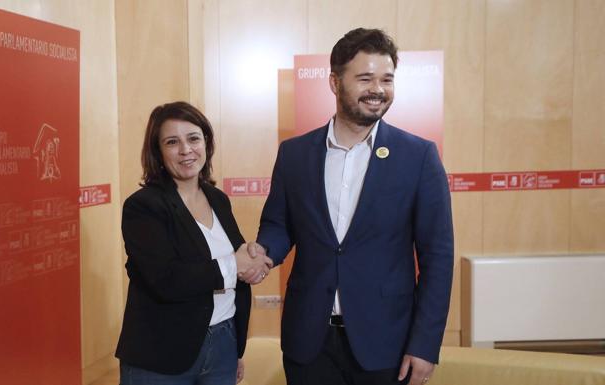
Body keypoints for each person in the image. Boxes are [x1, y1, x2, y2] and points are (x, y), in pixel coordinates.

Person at [251, 28, 454, 385]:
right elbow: (279, 224)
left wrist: (425, 344)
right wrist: (264, 253)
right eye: (365, 78)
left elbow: (438, 257)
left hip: (386, 344)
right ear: (334, 82)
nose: (378, 89)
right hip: (308, 342)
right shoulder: (294, 154)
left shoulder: (418, 156)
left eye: (387, 79)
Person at [116, 101, 273, 385]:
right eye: (172, 142)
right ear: (158, 152)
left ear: (206, 143)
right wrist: (234, 265)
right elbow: (166, 279)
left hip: (223, 342)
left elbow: (234, 261)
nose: (186, 150)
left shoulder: (218, 198)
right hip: (162, 354)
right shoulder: (143, 207)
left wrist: (252, 260)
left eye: (193, 139)